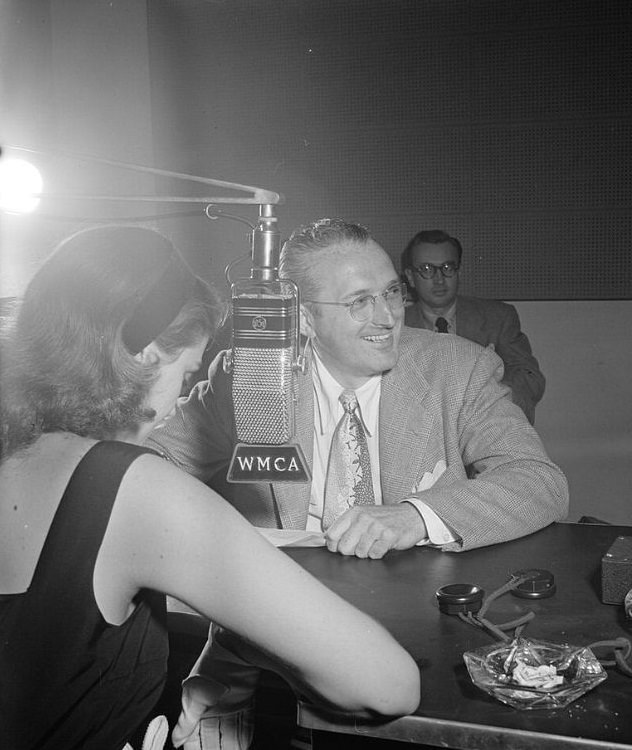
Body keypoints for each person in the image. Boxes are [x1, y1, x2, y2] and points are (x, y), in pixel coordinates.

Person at [146, 217, 568, 747]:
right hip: (264, 635)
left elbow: (538, 481)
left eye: (391, 292)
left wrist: (416, 515)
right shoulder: (250, 374)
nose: (388, 316)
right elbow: (150, 461)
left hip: (417, 641)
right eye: (359, 301)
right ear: (301, 318)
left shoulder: (457, 370)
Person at [0, 225, 420, 750]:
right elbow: (389, 686)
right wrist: (260, 640)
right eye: (187, 371)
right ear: (148, 354)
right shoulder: (133, 486)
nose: (179, 400)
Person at [401, 229, 545, 424]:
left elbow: (530, 377)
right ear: (410, 277)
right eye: (427, 269)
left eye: (447, 267)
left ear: (459, 271)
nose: (439, 279)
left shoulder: (498, 317)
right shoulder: (396, 326)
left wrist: (492, 399)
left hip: (485, 429)